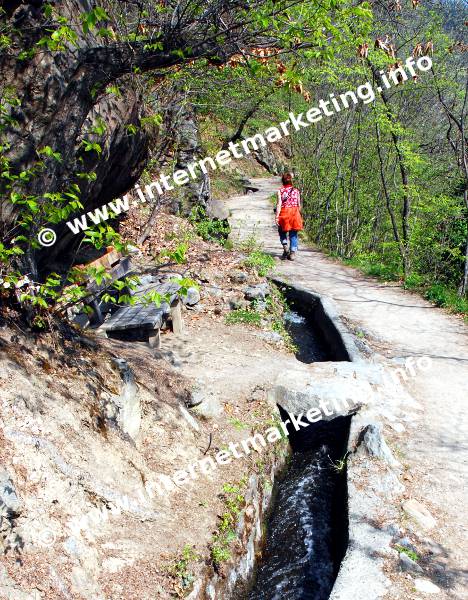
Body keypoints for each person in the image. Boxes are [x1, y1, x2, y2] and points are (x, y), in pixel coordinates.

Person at [275, 172, 303, 260]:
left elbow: (279, 204)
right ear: (291, 181)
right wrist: (299, 215)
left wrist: (276, 216)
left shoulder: (280, 191)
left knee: (281, 231)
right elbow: (299, 205)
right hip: (294, 213)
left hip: (284, 212)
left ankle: (285, 246)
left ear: (283, 181)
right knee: (293, 234)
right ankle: (292, 253)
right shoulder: (296, 191)